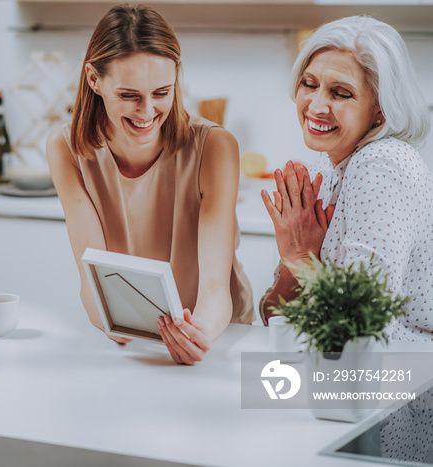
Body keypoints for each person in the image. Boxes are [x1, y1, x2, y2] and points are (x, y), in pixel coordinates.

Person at [46, 4, 254, 365]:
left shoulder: (215, 147)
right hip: (130, 343)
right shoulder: (65, 149)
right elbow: (93, 281)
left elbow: (217, 287)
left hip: (217, 337)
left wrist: (196, 334)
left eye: (162, 92)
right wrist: (120, 328)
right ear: (94, 80)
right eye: (129, 96)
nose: (146, 112)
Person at [260, 16, 433, 341]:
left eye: (340, 93)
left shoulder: (381, 165)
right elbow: (272, 319)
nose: (316, 105)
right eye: (309, 84)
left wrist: (300, 259)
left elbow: (363, 326)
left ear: (380, 107)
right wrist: (295, 262)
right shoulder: (324, 168)